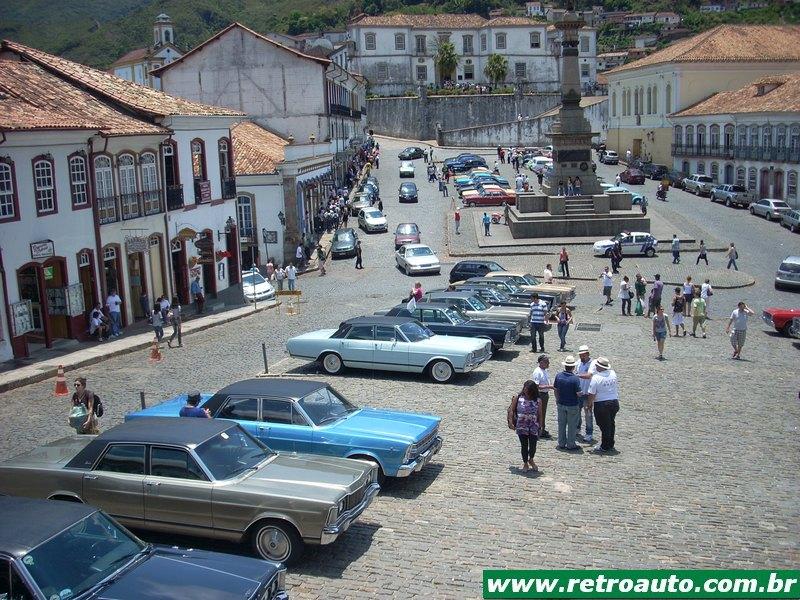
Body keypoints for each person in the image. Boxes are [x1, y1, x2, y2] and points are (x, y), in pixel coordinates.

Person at [507, 380, 542, 472]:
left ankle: (531, 459)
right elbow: (512, 410)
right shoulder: (518, 398)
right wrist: (510, 422)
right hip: (522, 425)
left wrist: (540, 426)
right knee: (524, 445)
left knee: (533, 445)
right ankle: (525, 463)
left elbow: (540, 414)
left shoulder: (538, 400)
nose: (526, 391)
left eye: (528, 390)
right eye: (525, 389)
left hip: (533, 425)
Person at [587, 356, 619, 453]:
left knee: (603, 425)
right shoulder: (612, 373)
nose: (596, 366)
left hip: (602, 403)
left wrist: (589, 405)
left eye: (597, 365)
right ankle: (610, 443)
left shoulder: (596, 378)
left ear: (600, 367)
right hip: (614, 401)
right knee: (611, 423)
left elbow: (592, 394)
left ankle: (605, 446)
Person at [553, 355, 582, 451]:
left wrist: (557, 399)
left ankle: (561, 443)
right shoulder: (575, 379)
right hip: (572, 405)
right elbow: (578, 393)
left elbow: (555, 389)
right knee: (572, 425)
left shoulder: (559, 376)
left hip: (561, 403)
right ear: (573, 367)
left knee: (561, 424)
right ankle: (571, 444)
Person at [576, 345, 595, 445]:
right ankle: (577, 428)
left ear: (587, 354)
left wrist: (577, 375)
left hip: (588, 393)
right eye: (580, 355)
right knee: (577, 412)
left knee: (588, 414)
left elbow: (589, 375)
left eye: (583, 355)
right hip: (579, 392)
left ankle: (589, 432)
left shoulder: (592, 364)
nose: (581, 357)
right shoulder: (578, 363)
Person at [532, 354, 553, 439]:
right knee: (540, 413)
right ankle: (538, 430)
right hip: (540, 395)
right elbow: (536, 386)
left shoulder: (544, 370)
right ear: (541, 362)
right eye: (547, 362)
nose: (549, 363)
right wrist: (549, 386)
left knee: (543, 412)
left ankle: (542, 429)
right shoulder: (538, 372)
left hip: (545, 394)